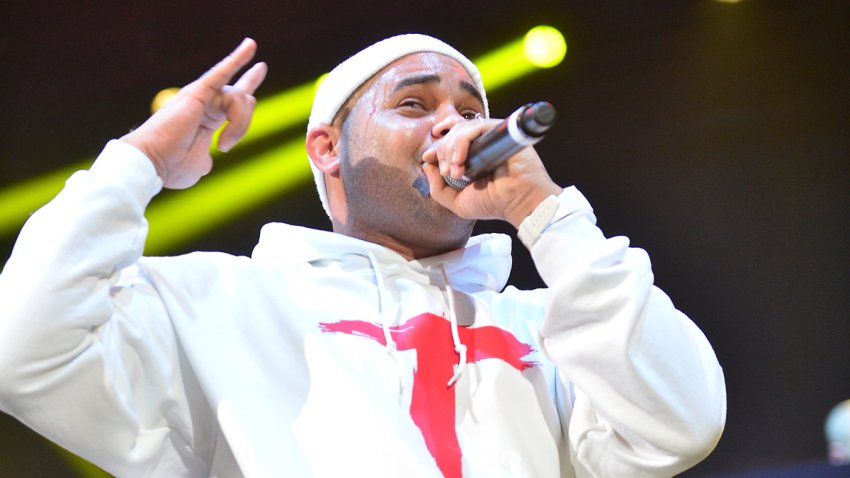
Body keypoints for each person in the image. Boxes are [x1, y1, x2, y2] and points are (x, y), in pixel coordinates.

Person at [0, 34, 726, 477]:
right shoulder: (220, 302)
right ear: (327, 150)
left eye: (471, 112)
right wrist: (139, 163)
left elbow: (683, 425)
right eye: (414, 105)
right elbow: (22, 349)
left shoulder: (553, 323)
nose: (455, 124)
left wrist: (549, 218)